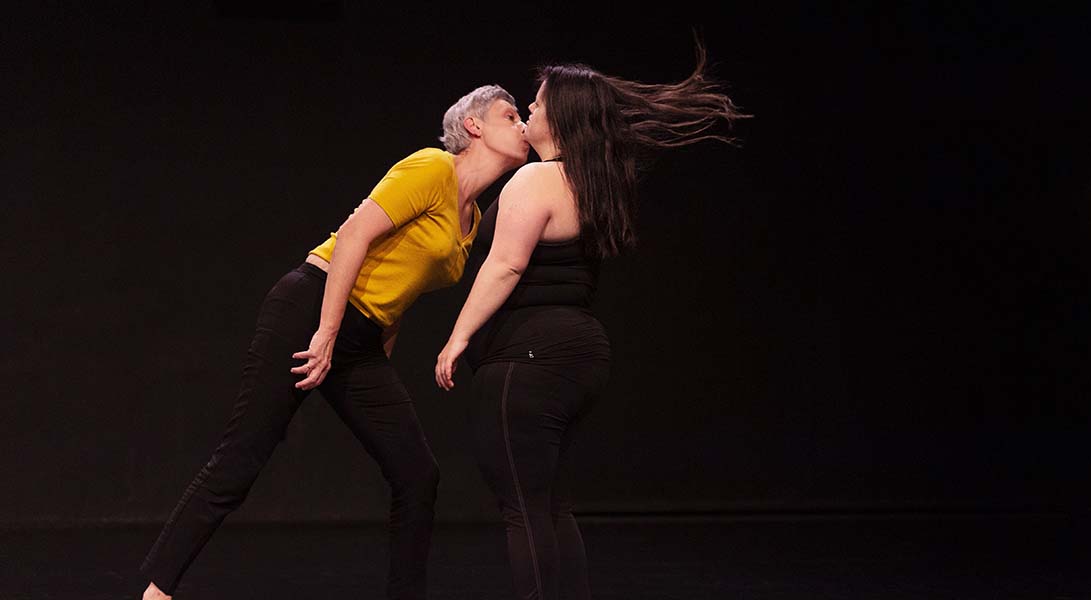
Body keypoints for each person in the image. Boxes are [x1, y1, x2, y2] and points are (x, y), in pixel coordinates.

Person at [140, 84, 529, 600]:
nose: (523, 122)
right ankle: (156, 591)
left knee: (417, 475)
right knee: (242, 456)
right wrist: (325, 331)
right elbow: (353, 237)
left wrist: (378, 355)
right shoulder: (432, 168)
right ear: (475, 126)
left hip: (361, 339)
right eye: (510, 114)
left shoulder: (473, 218)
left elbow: (402, 287)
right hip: (311, 307)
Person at [434, 42, 748, 600]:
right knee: (552, 504)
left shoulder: (534, 181)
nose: (528, 110)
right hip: (582, 354)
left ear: (564, 115)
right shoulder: (594, 183)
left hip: (529, 356)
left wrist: (457, 338)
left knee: (523, 511)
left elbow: (506, 264)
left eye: (536, 102)